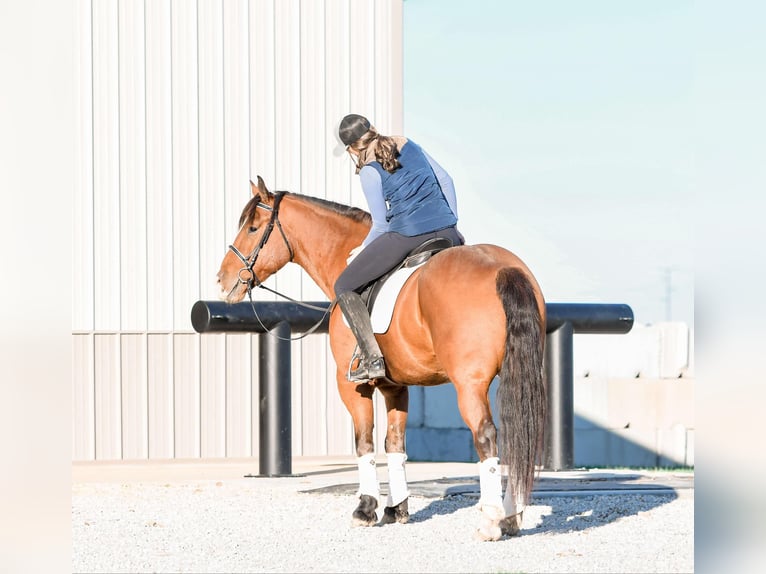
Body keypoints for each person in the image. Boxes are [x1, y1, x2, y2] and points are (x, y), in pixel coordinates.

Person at [334, 113, 464, 382]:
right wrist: (451, 220)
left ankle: (372, 359)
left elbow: (381, 225)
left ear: (351, 149)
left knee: (344, 285)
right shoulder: (409, 144)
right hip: (449, 231)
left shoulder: (369, 171)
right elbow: (447, 181)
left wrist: (362, 248)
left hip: (409, 234)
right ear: (372, 130)